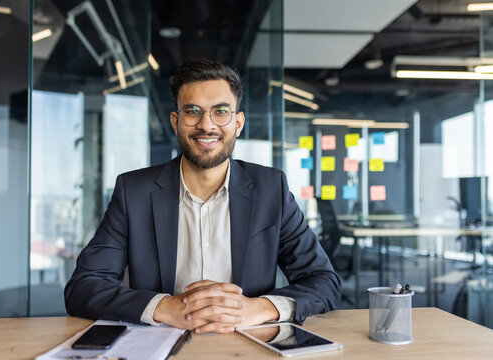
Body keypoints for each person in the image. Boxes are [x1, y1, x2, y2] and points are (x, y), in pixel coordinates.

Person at [65, 59, 341, 334]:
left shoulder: (271, 189)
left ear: (238, 122)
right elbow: (84, 286)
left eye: (221, 111)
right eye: (192, 111)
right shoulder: (134, 191)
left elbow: (323, 280)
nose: (206, 125)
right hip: (161, 343)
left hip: (247, 344)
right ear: (176, 122)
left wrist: (256, 308)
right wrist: (165, 307)